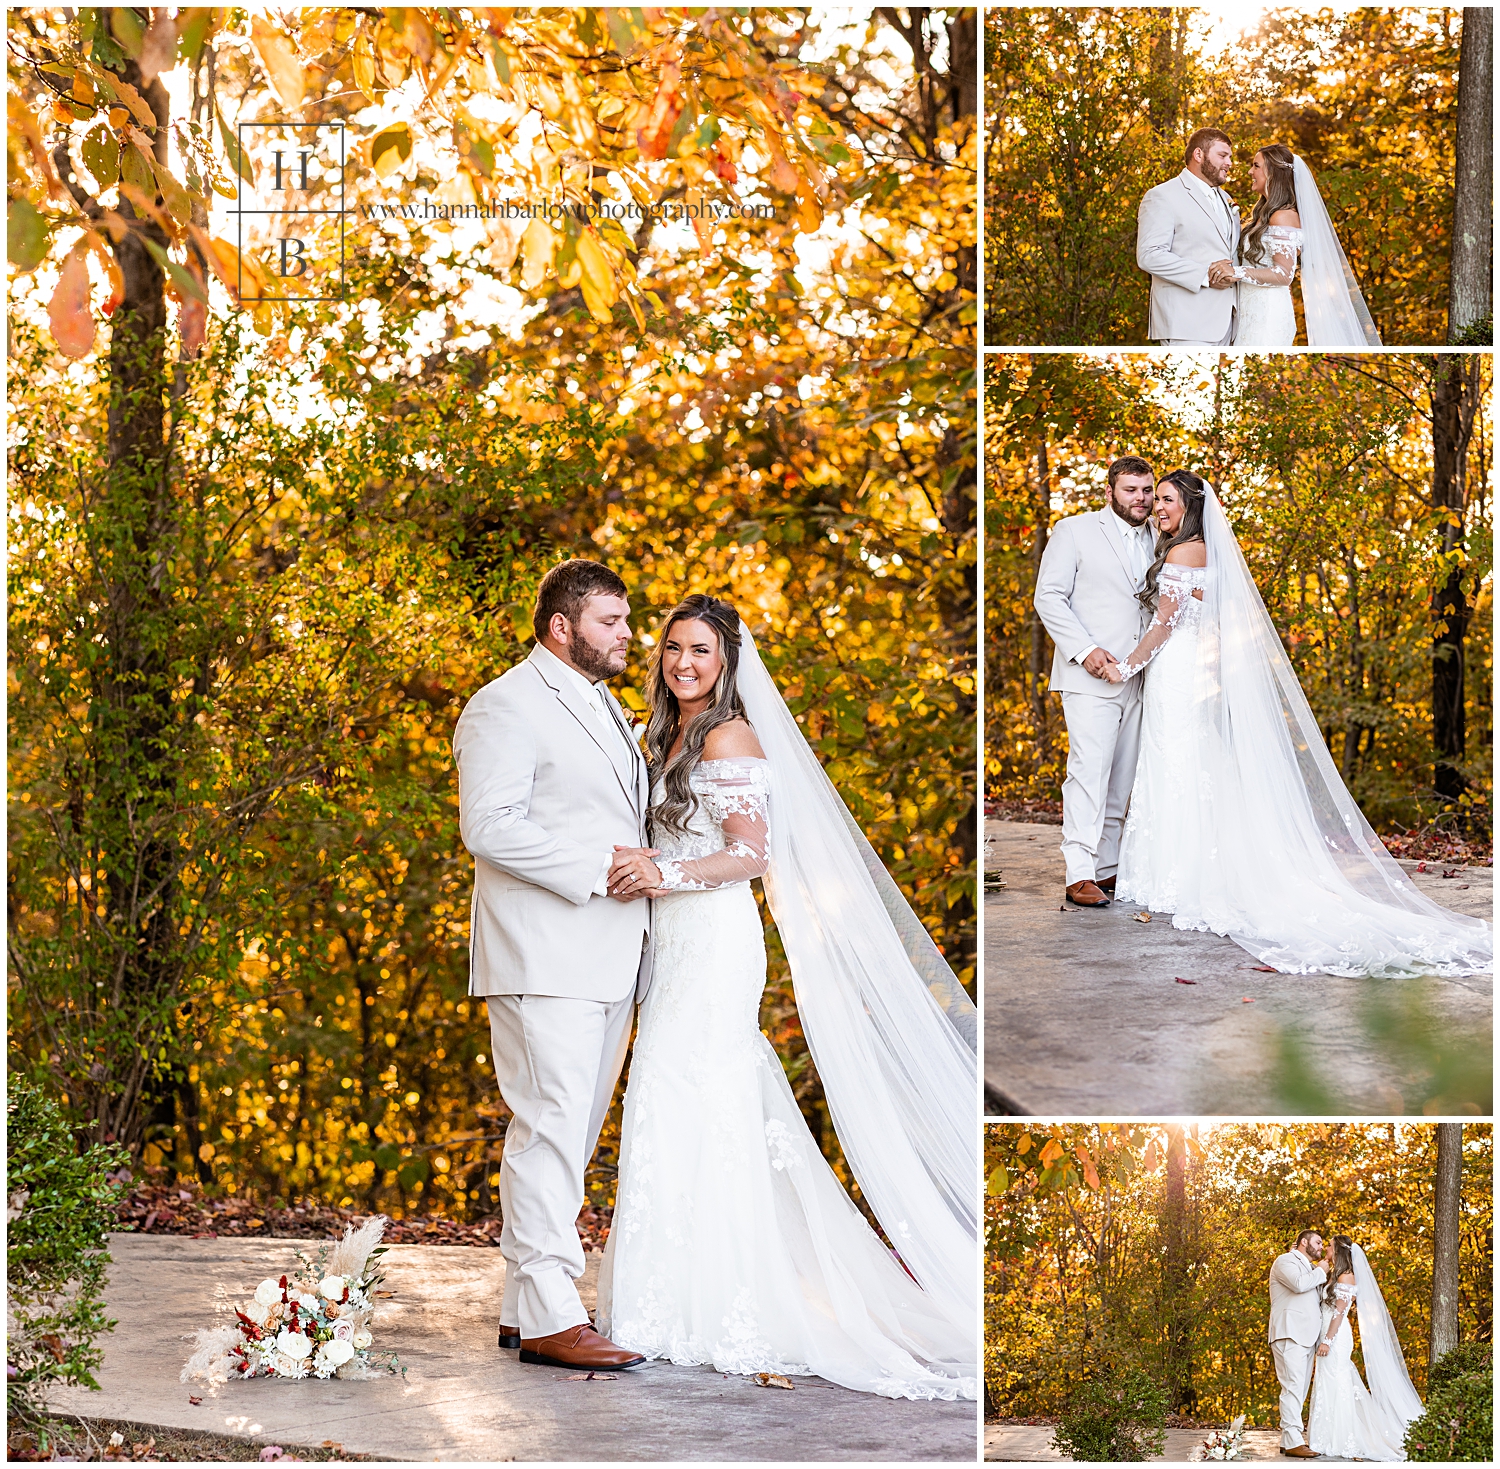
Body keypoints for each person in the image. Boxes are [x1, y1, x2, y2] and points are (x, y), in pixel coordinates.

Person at [596, 594, 977, 1398]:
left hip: (714, 937)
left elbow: (750, 856)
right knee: (667, 1099)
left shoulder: (731, 734)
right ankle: (663, 1299)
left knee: (706, 1095)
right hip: (669, 940)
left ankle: (725, 1301)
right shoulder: (661, 732)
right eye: (672, 648)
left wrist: (661, 871)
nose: (682, 662)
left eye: (700, 650)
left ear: (727, 660)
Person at [1104, 471, 1491, 976]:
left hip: (1176, 673)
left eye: (1167, 500)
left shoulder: (1183, 553)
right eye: (1155, 500)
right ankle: (1179, 872)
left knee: (1178, 764)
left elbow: (1162, 625)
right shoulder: (1199, 550)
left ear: (1191, 507)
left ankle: (1181, 877)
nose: (1158, 507)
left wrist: (1123, 666)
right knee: (1186, 764)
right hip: (1187, 672)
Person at [452, 559, 653, 1371]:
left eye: (627, 620)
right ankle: (550, 1315)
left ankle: (520, 1304)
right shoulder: (503, 704)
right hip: (545, 951)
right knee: (548, 1130)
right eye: (611, 620)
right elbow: (488, 826)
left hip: (608, 952)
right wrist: (600, 866)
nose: (627, 635)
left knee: (567, 1134)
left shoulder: (607, 706)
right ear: (562, 626)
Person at [1032, 456, 1155, 906]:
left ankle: (1106, 870)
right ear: (1110, 491)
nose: (1140, 499)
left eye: (1146, 490)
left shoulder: (1162, 538)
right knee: (1089, 772)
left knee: (1123, 779)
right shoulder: (1075, 531)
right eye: (1131, 490)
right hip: (1091, 677)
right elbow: (1048, 596)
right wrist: (1085, 652)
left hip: (1144, 678)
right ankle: (1078, 872)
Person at [1218, 144, 1383, 347]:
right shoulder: (1264, 214)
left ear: (1273, 172)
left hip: (1268, 316)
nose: (1250, 171)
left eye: (1256, 166)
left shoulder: (1284, 216)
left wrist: (1236, 272)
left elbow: (1284, 274)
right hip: (1249, 311)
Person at [1306, 1236, 1426, 1460]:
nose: (1326, 1249)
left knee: (1338, 1382)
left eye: (1329, 1246)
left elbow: (1339, 1313)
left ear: (1339, 1251)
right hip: (1326, 1334)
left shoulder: (1347, 1276)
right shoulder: (1334, 1274)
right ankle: (1326, 1436)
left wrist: (1327, 1341)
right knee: (1327, 1381)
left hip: (1336, 1336)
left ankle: (1342, 1437)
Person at [1136, 127, 1241, 346]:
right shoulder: (1162, 196)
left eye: (1230, 157)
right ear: (1198, 154)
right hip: (1186, 322)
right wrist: (1207, 276)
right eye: (1223, 155)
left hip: (1229, 323)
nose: (1229, 163)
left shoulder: (1226, 198)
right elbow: (1149, 255)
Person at [1268, 1229, 1332, 1458]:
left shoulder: (1312, 1269)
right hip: (1289, 1333)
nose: (1321, 1246)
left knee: (1299, 1389)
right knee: (1292, 1387)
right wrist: (1322, 1271)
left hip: (1307, 1337)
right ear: (1304, 1242)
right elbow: (1297, 1284)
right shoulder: (1285, 1260)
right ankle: (1294, 1440)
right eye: (1318, 1242)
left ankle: (1289, 1439)